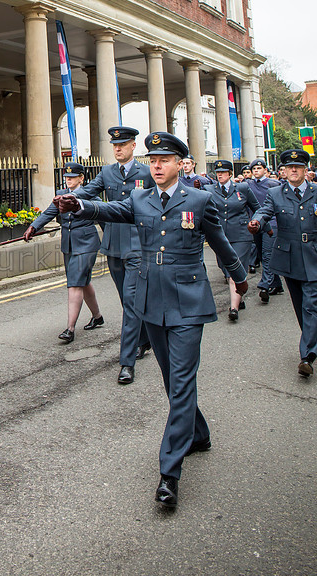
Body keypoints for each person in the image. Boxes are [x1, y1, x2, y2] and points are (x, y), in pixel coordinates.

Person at [56, 132, 247, 510]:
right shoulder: (139, 198)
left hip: (188, 301)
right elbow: (113, 211)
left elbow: (221, 242)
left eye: (164, 160)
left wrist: (239, 276)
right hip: (150, 299)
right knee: (170, 379)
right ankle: (199, 434)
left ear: (180, 163)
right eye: (153, 160)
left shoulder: (200, 199)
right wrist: (79, 204)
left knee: (181, 380)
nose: (156, 165)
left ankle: (169, 474)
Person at [78, 126, 155, 384]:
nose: (118, 149)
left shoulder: (146, 172)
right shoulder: (106, 172)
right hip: (113, 245)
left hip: (137, 245)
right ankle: (144, 340)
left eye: (122, 145)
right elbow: (85, 193)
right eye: (115, 145)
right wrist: (64, 199)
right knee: (127, 300)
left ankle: (127, 362)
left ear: (133, 146)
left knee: (132, 303)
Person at [248, 148, 317, 378]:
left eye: (298, 167)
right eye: (289, 168)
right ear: (284, 171)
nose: (294, 171)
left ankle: (307, 355)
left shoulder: (316, 191)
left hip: (313, 254)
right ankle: (311, 340)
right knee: (300, 306)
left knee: (311, 305)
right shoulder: (276, 193)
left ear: (305, 169)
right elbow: (264, 211)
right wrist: (256, 222)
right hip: (288, 256)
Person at [23, 161, 104, 342]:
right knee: (83, 281)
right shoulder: (60, 195)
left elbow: (106, 216)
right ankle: (98, 317)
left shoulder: (92, 197)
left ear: (81, 178)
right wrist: (33, 227)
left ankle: (70, 328)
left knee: (75, 282)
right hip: (69, 244)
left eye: (72, 177)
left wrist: (111, 241)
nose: (68, 180)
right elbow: (49, 213)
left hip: (87, 244)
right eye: (66, 177)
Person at [205, 160, 259, 321]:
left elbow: (257, 208)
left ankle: (233, 308)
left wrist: (257, 223)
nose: (220, 174)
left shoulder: (242, 188)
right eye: (218, 172)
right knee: (225, 267)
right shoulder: (208, 190)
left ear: (230, 174)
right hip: (220, 236)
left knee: (234, 271)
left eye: (223, 172)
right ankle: (238, 296)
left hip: (241, 234)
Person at [246, 158, 283, 302]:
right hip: (256, 223)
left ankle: (264, 286)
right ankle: (277, 284)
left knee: (268, 254)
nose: (256, 171)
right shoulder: (248, 184)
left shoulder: (274, 184)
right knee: (261, 254)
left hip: (271, 223)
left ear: (265, 170)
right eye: (254, 169)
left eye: (259, 169)